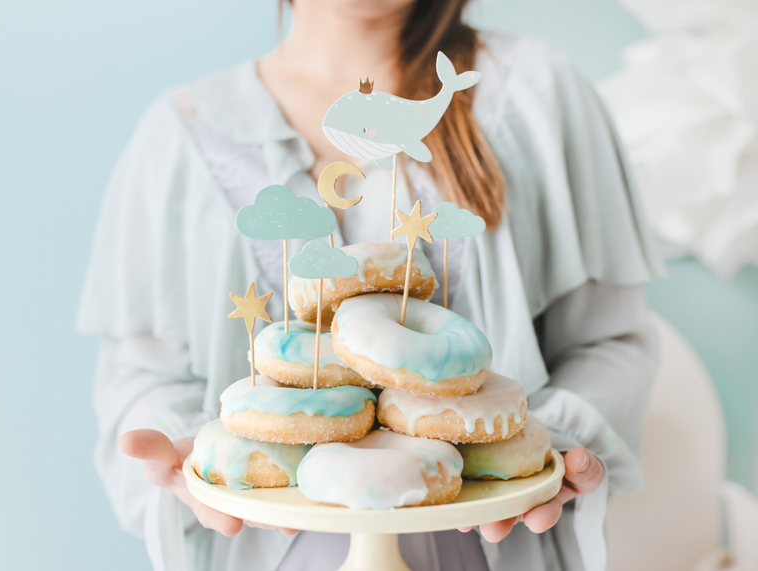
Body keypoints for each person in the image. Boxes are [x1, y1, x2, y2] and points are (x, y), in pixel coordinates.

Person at [77, 0, 664, 569]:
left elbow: (607, 341)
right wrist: (187, 451)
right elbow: (145, 371)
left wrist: (547, 448)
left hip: (487, 550)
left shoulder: (534, 91)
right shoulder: (182, 131)